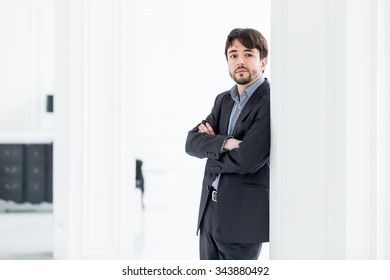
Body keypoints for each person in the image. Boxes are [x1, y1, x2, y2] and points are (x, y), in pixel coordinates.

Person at [185, 28, 270, 260]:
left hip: (242, 220)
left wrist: (213, 149)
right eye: (233, 55)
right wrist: (229, 142)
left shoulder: (270, 101)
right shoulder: (223, 100)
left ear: (263, 61)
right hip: (209, 214)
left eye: (248, 54)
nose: (240, 61)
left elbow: (249, 158)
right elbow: (191, 142)